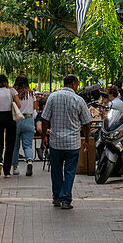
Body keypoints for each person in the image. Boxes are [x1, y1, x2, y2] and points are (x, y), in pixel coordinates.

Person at [40, 73, 93, 209]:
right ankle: (66, 200)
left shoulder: (52, 97)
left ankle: (56, 197)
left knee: (56, 171)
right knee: (69, 172)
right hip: (72, 144)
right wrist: (86, 140)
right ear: (74, 84)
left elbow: (44, 119)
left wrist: (43, 137)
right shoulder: (79, 100)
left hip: (56, 142)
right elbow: (87, 123)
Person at [0, 74, 21, 178]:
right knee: (10, 144)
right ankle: (7, 171)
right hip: (10, 117)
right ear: (6, 81)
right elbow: (19, 105)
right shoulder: (12, 91)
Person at [11, 74, 37, 176]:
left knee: (15, 146)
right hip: (29, 119)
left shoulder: (13, 93)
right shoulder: (31, 94)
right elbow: (35, 107)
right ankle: (29, 161)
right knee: (27, 145)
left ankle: (15, 168)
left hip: (16, 120)